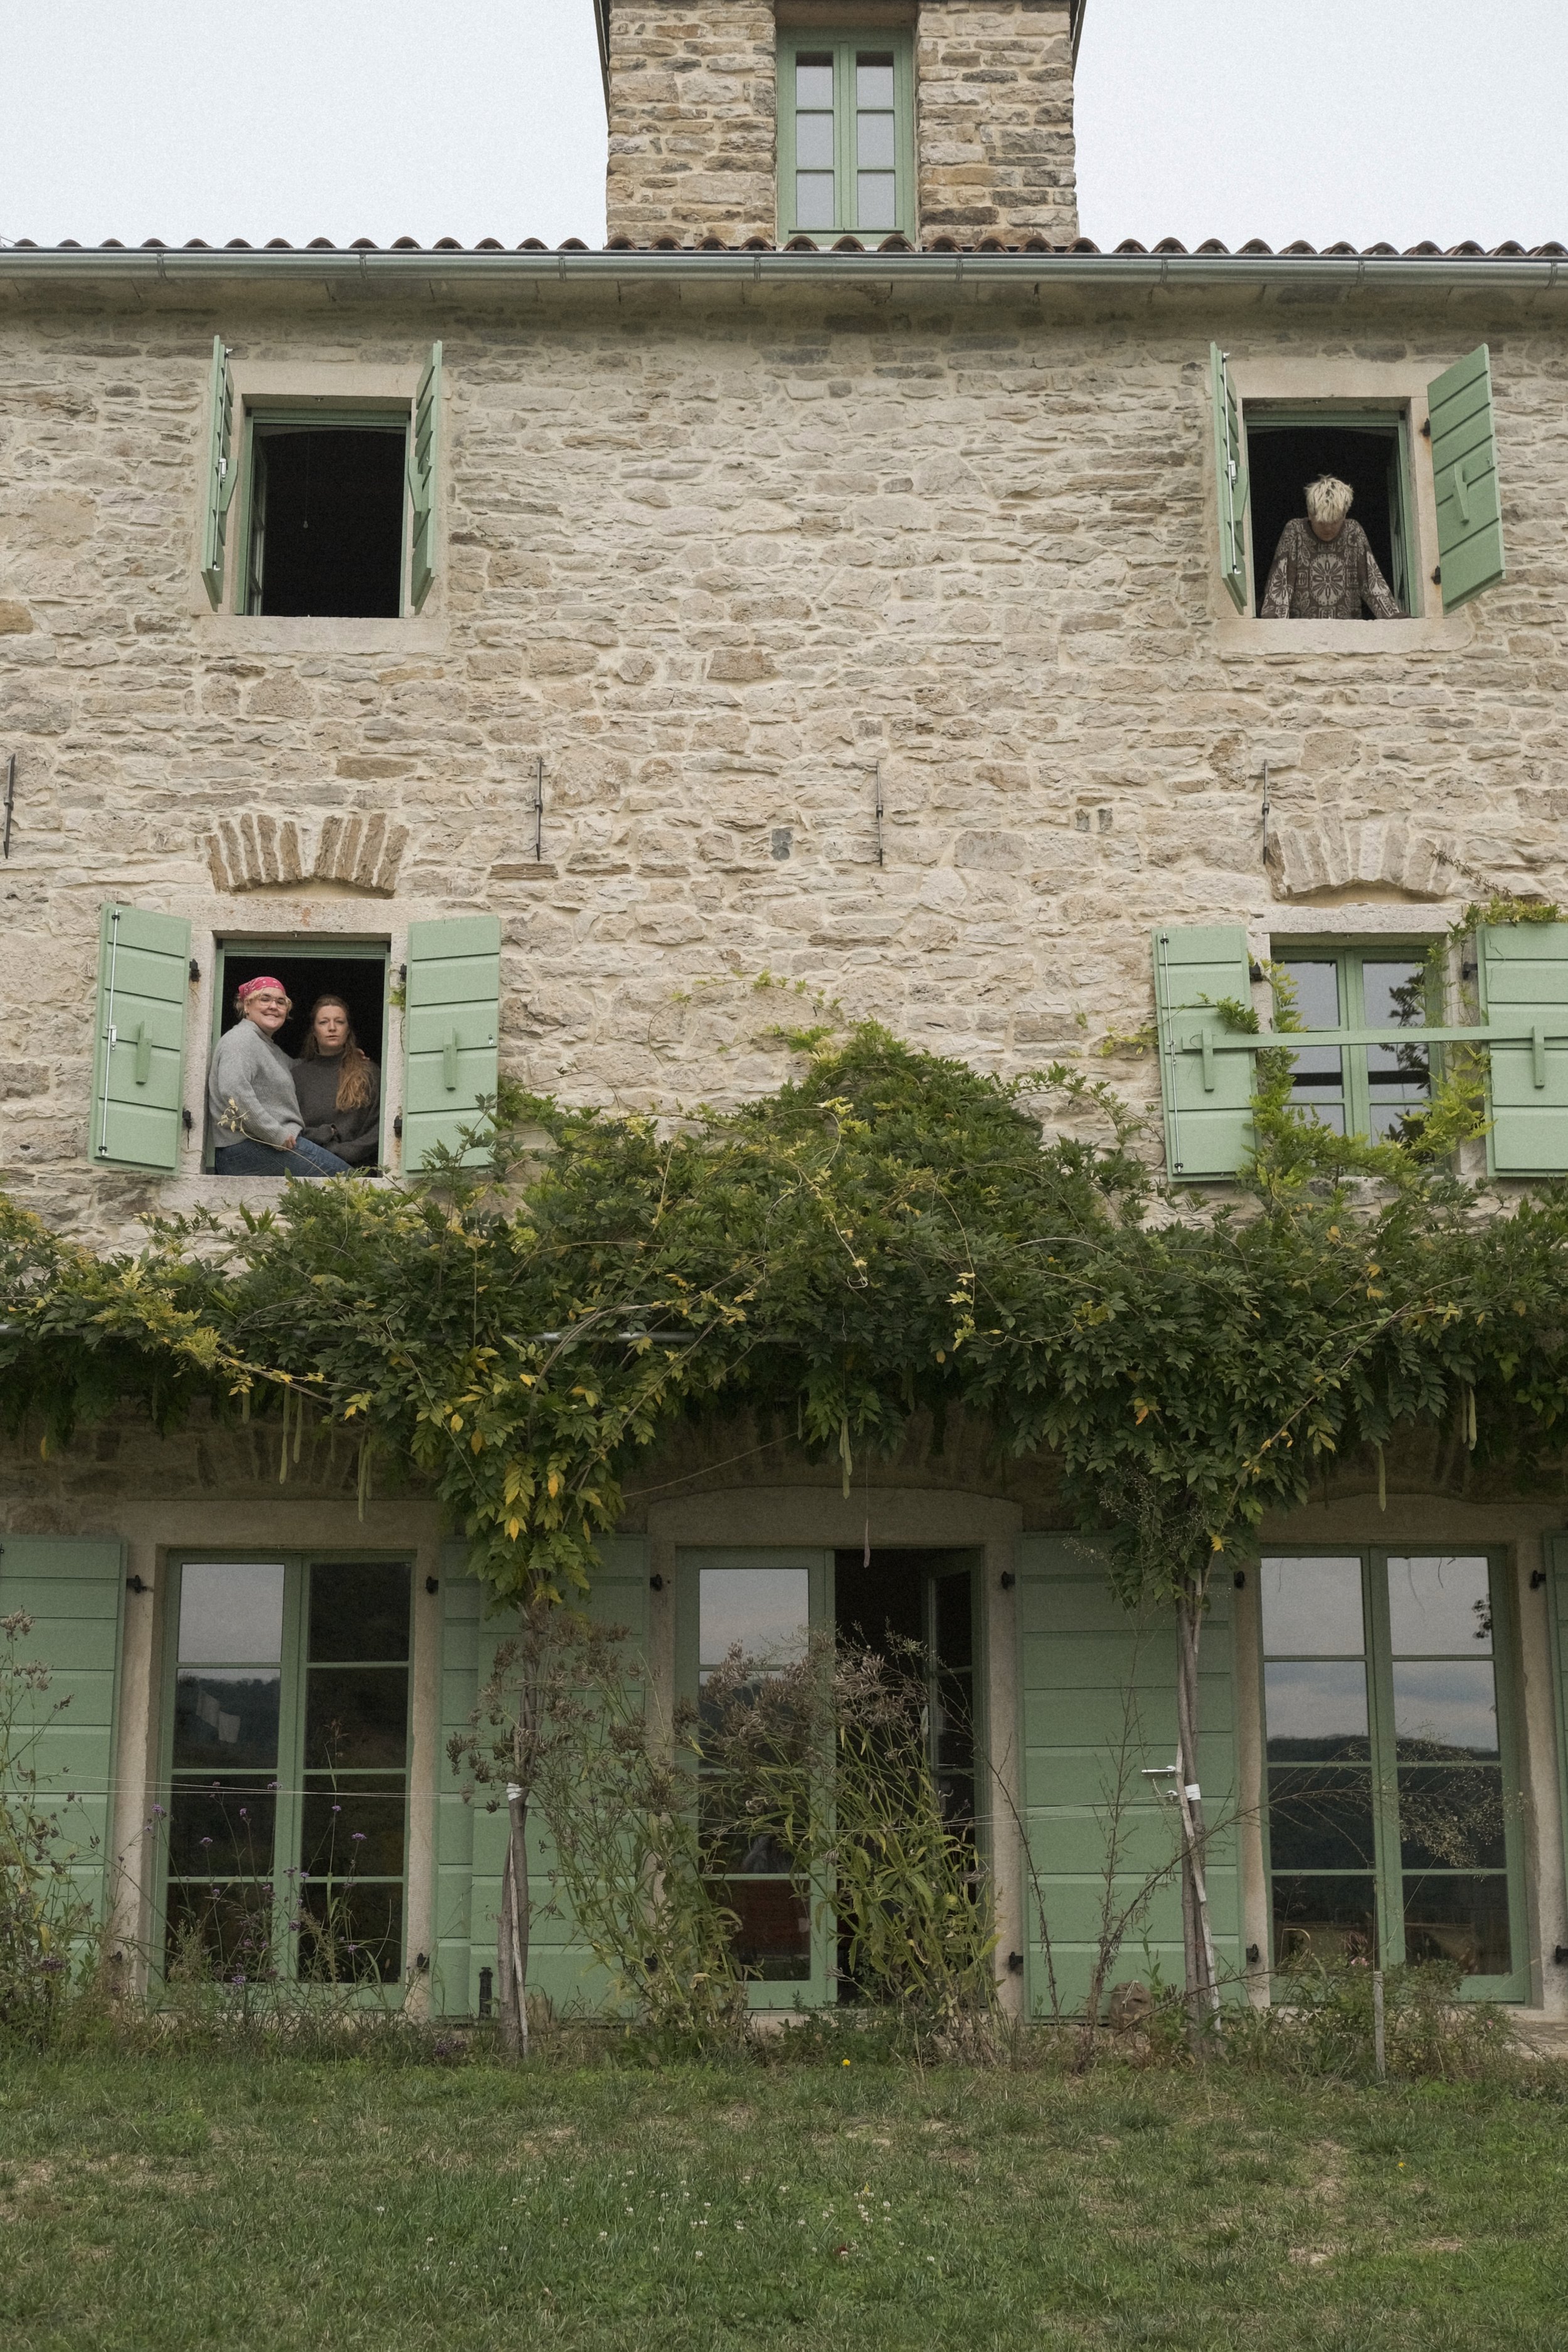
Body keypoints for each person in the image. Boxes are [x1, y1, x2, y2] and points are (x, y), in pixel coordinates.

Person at [208, 977, 351, 1177]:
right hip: (248, 1148)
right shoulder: (240, 1040)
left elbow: (298, 1068)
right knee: (348, 1179)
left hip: (263, 1146)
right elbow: (235, 1092)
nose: (273, 1006)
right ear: (246, 1006)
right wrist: (274, 1133)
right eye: (265, 999)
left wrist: (347, 1055)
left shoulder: (268, 1047)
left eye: (280, 1002)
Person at [1259, 473, 1402, 620]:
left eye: (1334, 522)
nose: (1328, 529)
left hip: (1346, 632)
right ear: (1310, 513)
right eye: (1321, 523)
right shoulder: (1295, 531)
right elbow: (1281, 582)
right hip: (1302, 632)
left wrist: (1393, 616)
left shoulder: (1354, 532)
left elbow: (1372, 582)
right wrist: (1273, 621)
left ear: (1345, 515)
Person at [293, 995, 382, 1168]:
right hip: (308, 1165)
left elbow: (380, 1128)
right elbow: (288, 1128)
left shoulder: (368, 1072)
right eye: (324, 1022)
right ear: (314, 1031)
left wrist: (344, 1151)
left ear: (348, 1030)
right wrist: (320, 1134)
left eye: (339, 1022)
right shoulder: (297, 1076)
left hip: (359, 1170)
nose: (332, 1028)